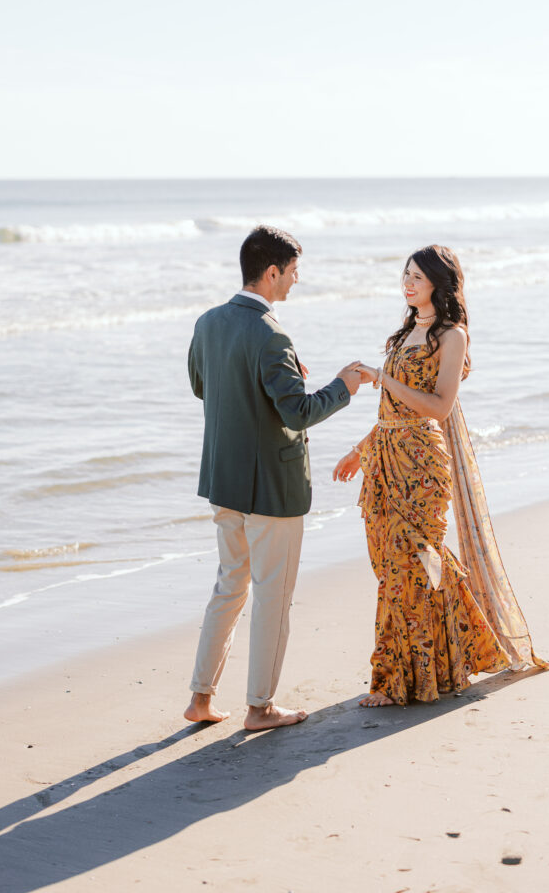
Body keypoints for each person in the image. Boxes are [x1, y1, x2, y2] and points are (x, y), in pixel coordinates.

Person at [334, 245, 549, 706]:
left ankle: (396, 681)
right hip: (385, 458)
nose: (407, 284)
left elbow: (438, 406)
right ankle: (447, 660)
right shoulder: (404, 332)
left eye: (417, 277)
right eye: (405, 276)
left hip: (423, 463)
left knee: (410, 564)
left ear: (438, 282)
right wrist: (360, 450)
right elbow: (390, 410)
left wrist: (381, 376)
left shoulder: (453, 336)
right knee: (391, 566)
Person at [185, 225, 361, 730]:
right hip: (271, 492)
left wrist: (271, 379)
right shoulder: (271, 333)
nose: (296, 280)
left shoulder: (207, 322)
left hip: (224, 481)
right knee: (271, 598)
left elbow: (204, 386)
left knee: (228, 588)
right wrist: (343, 385)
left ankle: (200, 698)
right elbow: (299, 413)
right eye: (292, 272)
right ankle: (259, 708)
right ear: (271, 272)